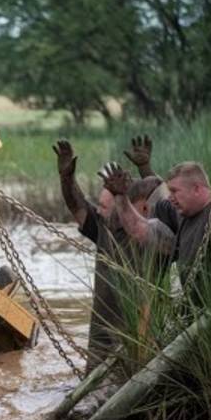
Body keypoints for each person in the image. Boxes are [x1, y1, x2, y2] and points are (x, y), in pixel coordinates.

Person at [53, 140, 164, 369]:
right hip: (101, 332)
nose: (100, 211)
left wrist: (146, 169)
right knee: (94, 389)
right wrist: (66, 178)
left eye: (105, 207)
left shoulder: (150, 233)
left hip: (140, 334)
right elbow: (77, 205)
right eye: (100, 206)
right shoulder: (103, 227)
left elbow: (159, 200)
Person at [100, 138, 211, 300]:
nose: (170, 197)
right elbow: (138, 229)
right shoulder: (181, 215)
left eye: (175, 191)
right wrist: (120, 196)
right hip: (192, 312)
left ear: (197, 189)